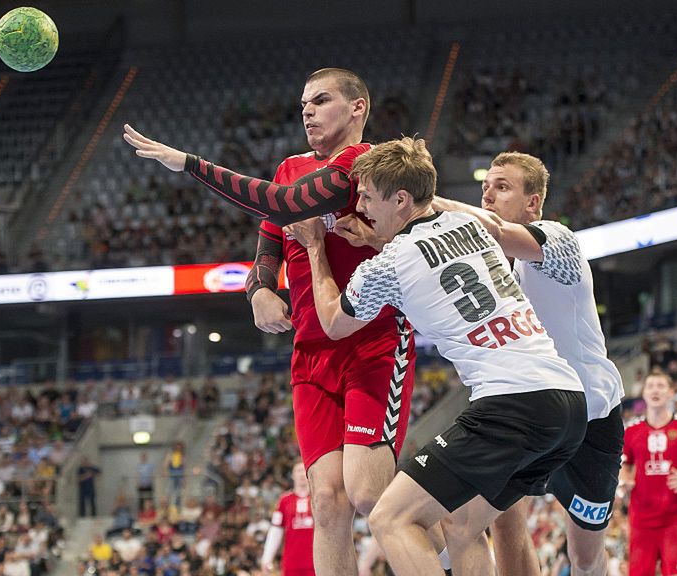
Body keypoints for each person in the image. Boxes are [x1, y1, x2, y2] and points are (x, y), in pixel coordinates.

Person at [124, 68, 436, 575]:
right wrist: (260, 288)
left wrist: (190, 164)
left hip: (371, 340)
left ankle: (451, 551)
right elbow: (270, 235)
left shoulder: (364, 164)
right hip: (310, 351)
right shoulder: (290, 164)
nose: (307, 111)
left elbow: (282, 205)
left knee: (367, 493)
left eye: (321, 100)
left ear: (358, 108)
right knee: (327, 502)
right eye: (303, 104)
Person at [284, 137, 587, 576]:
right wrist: (381, 232)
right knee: (461, 524)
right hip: (565, 401)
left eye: (367, 196)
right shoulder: (473, 225)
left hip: (510, 404)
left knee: (391, 517)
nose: (361, 206)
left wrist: (315, 248)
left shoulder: (389, 264)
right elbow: (432, 248)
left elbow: (332, 322)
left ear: (401, 198)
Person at [621, 371, 677, 576]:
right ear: (643, 393)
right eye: (650, 386)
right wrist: (625, 479)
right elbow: (624, 465)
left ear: (671, 392)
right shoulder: (631, 431)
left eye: (661, 385)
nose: (655, 390)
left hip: (676, 516)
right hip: (641, 518)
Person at [261, 462, 315, 576]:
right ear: (292, 475)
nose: (301, 474)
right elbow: (275, 530)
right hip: (291, 563)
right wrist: (267, 557)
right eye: (298, 471)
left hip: (316, 562)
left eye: (303, 470)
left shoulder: (318, 498)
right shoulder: (284, 501)